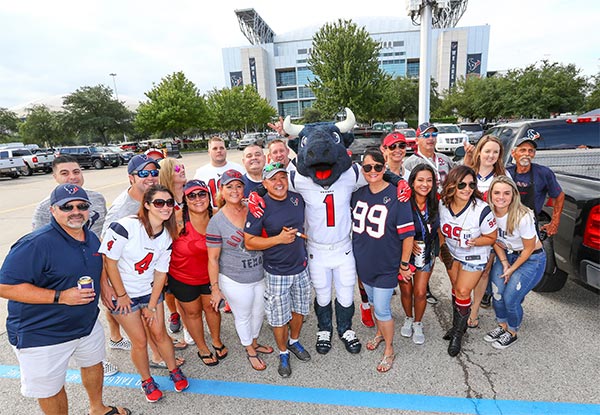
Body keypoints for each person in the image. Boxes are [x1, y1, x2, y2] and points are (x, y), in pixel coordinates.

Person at [0, 183, 131, 415]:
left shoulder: (90, 237)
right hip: (42, 333)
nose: (75, 211)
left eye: (82, 206)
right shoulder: (35, 244)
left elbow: (96, 263)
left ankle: (97, 408)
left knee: (93, 365)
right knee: (50, 388)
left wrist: (105, 286)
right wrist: (61, 296)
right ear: (53, 210)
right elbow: (4, 286)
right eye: (67, 207)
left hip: (86, 325)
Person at [30, 155, 126, 377]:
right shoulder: (46, 208)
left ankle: (115, 338)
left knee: (104, 305)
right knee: (82, 315)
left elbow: (98, 239)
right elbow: (41, 247)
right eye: (64, 173)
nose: (72, 177)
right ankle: (96, 360)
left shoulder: (97, 199)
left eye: (76, 172)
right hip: (66, 271)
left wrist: (104, 279)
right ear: (54, 177)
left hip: (92, 262)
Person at [100, 185, 189, 403]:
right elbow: (109, 262)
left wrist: (151, 305)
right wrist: (120, 295)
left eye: (169, 203)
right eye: (159, 203)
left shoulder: (167, 235)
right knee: (139, 340)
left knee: (160, 333)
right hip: (124, 295)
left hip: (148, 292)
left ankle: (173, 369)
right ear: (147, 205)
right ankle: (146, 380)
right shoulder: (125, 226)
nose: (166, 207)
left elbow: (160, 274)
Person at [244, 162, 311, 378]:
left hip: (301, 267)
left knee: (300, 309)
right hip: (276, 272)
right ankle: (283, 353)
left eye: (282, 177)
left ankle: (294, 341)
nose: (279, 182)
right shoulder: (259, 206)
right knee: (279, 318)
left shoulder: (297, 199)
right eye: (273, 179)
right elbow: (249, 242)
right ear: (265, 183)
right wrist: (278, 239)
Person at [351, 149, 415, 372]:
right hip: (363, 262)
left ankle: (389, 349)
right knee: (371, 300)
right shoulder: (357, 194)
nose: (373, 171)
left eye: (378, 167)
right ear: (362, 170)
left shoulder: (398, 195)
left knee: (382, 309)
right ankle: (379, 333)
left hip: (386, 263)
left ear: (384, 168)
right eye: (367, 167)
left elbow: (408, 235)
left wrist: (404, 264)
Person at [206, 170, 272, 371]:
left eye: (238, 185)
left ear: (244, 188)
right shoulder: (216, 221)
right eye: (229, 186)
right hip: (234, 278)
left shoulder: (252, 208)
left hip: (259, 273)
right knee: (243, 315)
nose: (234, 190)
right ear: (221, 190)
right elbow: (213, 258)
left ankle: (254, 341)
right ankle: (250, 350)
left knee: (259, 312)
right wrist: (215, 288)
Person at [438, 165, 497, 357]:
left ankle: (457, 334)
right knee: (456, 289)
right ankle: (459, 326)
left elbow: (492, 237)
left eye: (472, 184)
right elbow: (439, 229)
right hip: (452, 254)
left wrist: (474, 241)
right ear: (452, 184)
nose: (467, 189)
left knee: (463, 290)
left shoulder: (481, 209)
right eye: (462, 184)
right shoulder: (443, 203)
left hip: (474, 255)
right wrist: (443, 249)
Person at [168, 179, 228, 366]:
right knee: (192, 313)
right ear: (185, 199)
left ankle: (216, 341)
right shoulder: (176, 220)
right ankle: (202, 347)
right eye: (191, 195)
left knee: (212, 308)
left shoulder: (217, 216)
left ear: (209, 196)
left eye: (202, 194)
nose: (197, 199)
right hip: (182, 277)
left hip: (210, 276)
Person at [404, 122, 463, 305]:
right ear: (418, 139)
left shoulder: (444, 159)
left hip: (444, 211)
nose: (430, 139)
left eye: (433, 134)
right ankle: (423, 288)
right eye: (426, 135)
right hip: (422, 213)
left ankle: (455, 292)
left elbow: (459, 176)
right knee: (424, 248)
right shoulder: (410, 162)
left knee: (440, 250)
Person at [484, 175, 546, 349]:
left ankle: (512, 331)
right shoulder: (489, 212)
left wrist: (512, 270)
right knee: (497, 294)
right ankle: (502, 325)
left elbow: (528, 249)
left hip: (530, 258)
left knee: (510, 298)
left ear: (513, 195)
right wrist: (504, 263)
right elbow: (494, 239)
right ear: (490, 194)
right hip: (507, 255)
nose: (501, 197)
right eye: (496, 192)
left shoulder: (522, 215)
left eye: (506, 193)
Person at [465, 135, 509, 328]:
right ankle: (462, 307)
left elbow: (510, 203)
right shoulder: (468, 173)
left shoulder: (503, 175)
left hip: (490, 233)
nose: (491, 155)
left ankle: (474, 312)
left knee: (484, 272)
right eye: (487, 151)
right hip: (466, 233)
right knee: (464, 274)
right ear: (479, 151)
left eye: (495, 152)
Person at [399, 164, 440, 345]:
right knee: (406, 291)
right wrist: (410, 242)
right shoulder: (404, 202)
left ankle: (418, 322)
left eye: (429, 180)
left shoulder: (436, 202)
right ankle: (408, 317)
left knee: (421, 292)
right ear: (413, 181)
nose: (425, 184)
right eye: (420, 180)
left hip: (426, 254)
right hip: (405, 255)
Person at [506, 133, 565, 238]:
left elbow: (559, 195)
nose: (527, 154)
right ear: (513, 153)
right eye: (522, 150)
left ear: (534, 154)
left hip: (531, 225)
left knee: (534, 253)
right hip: (506, 223)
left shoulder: (543, 173)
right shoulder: (506, 173)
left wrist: (554, 222)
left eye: (530, 151)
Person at [158, 157, 189, 342]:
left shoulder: (192, 193)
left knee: (187, 292)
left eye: (183, 166)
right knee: (170, 290)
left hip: (189, 252)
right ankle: (174, 314)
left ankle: (189, 322)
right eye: (177, 168)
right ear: (168, 173)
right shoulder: (161, 199)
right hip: (169, 254)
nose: (182, 170)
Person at [193, 136, 245, 209]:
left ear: (226, 150)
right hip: (211, 215)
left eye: (221, 148)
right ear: (209, 152)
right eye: (215, 148)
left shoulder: (238, 169)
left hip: (237, 213)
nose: (219, 151)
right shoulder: (200, 173)